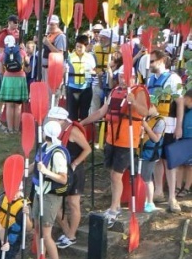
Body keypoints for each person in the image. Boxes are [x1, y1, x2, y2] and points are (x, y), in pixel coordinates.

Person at [82, 74, 151, 227]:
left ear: (135, 77)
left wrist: (133, 102)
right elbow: (101, 112)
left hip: (127, 141)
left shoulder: (139, 91)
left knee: (116, 175)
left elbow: (145, 112)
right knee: (113, 174)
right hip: (111, 139)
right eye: (121, 76)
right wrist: (82, 123)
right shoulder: (114, 91)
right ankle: (116, 205)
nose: (123, 79)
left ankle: (114, 208)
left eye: (127, 76)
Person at [46, 106, 92, 248]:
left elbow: (88, 149)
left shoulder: (73, 131)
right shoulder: (54, 132)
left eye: (52, 120)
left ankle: (71, 235)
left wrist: (75, 163)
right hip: (61, 170)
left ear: (61, 120)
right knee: (56, 205)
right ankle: (67, 231)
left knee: (73, 203)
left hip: (75, 170)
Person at [146, 49, 185, 213]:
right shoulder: (150, 79)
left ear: (162, 60)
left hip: (169, 125)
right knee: (156, 159)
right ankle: (159, 191)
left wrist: (179, 126)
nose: (150, 64)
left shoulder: (173, 78)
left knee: (169, 161)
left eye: (153, 61)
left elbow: (180, 103)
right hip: (154, 124)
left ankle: (172, 198)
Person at [31, 120, 68, 259]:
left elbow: (63, 179)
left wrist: (46, 171)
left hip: (50, 197)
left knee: (46, 234)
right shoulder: (44, 148)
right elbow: (36, 164)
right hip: (39, 193)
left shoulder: (58, 153)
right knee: (38, 230)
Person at [0, 34, 29, 132]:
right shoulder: (22, 52)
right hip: (20, 78)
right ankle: (16, 128)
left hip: (8, 78)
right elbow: (28, 66)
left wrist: (6, 73)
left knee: (9, 105)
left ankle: (10, 129)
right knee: (18, 105)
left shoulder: (4, 53)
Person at [65, 34, 96, 121]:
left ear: (85, 47)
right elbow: (63, 71)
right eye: (77, 46)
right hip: (72, 88)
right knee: (72, 114)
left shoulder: (90, 57)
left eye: (81, 47)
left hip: (86, 89)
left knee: (84, 114)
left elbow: (95, 71)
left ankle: (83, 132)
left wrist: (92, 72)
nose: (78, 49)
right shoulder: (69, 57)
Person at [41, 15, 67, 81]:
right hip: (45, 69)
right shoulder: (49, 35)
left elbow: (60, 54)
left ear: (57, 24)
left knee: (52, 91)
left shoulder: (61, 36)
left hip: (53, 70)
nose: (50, 26)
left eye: (52, 24)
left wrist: (48, 43)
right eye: (49, 24)